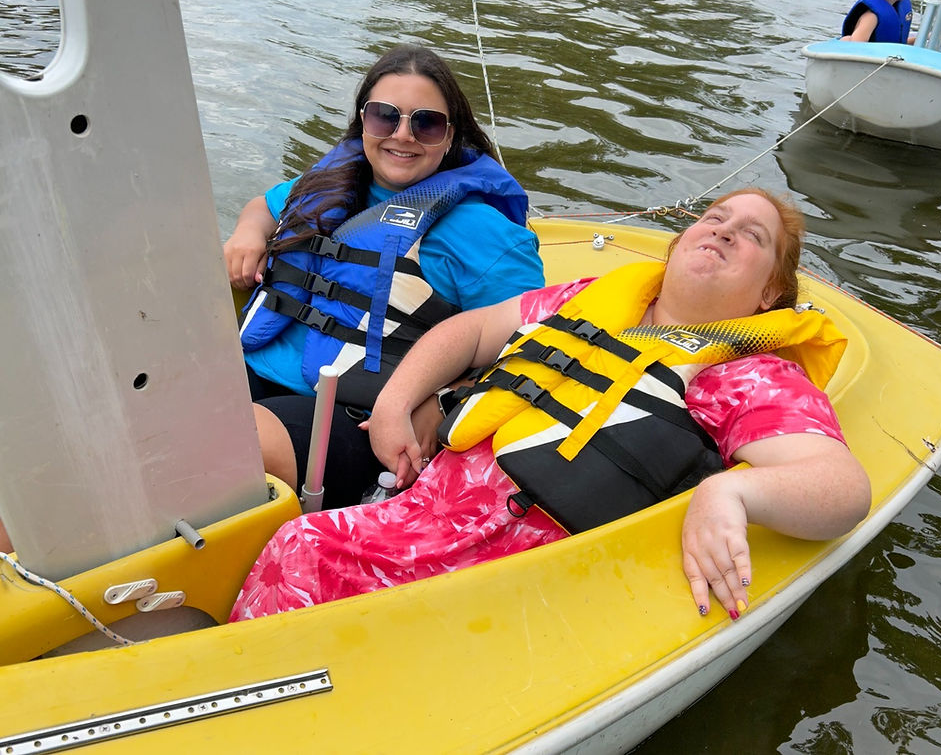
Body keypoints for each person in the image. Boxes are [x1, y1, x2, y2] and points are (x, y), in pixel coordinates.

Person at [230, 189, 872, 623]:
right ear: (678, 245)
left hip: (518, 580)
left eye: (751, 235)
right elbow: (473, 331)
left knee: (304, 551)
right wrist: (399, 400)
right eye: (714, 218)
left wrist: (731, 493)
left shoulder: (747, 374)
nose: (723, 231)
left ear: (770, 294)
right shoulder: (587, 299)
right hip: (416, 514)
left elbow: (841, 488)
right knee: (299, 545)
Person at [224, 44, 545, 507]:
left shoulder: (487, 236)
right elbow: (264, 206)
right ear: (363, 122)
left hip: (356, 415)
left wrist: (443, 401)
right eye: (384, 117)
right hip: (252, 366)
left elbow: (534, 342)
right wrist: (249, 234)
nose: (403, 135)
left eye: (426, 123)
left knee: (225, 445)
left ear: (450, 135)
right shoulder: (329, 183)